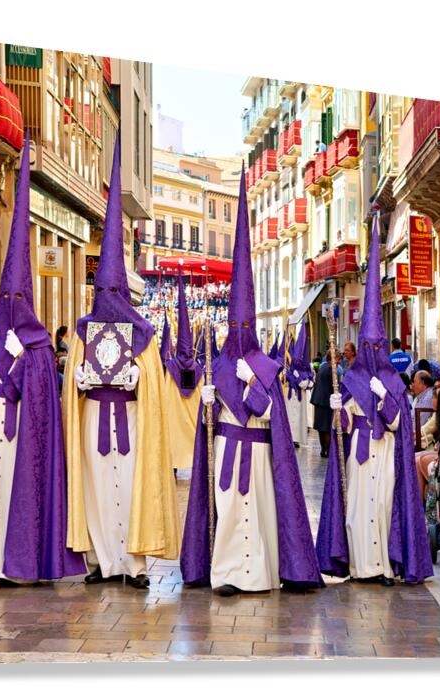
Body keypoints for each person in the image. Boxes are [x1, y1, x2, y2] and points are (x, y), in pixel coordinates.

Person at [180, 167, 322, 596]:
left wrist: (252, 385)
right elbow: (206, 420)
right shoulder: (217, 364)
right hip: (226, 446)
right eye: (235, 324)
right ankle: (224, 573)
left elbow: (269, 413)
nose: (240, 331)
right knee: (226, 508)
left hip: (258, 452)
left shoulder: (267, 366)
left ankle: (258, 574)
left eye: (246, 324)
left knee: (257, 510)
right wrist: (205, 400)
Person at [0, 139, 84, 588]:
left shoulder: (41, 345)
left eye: (17, 297)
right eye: (4, 296)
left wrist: (24, 359)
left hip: (21, 430)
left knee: (13, 491)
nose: (10, 303)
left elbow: (42, 398)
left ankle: (16, 563)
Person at [63, 137, 180, 590]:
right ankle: (98, 561)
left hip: (129, 419)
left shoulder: (143, 334)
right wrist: (77, 381)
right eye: (103, 292)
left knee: (132, 488)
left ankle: (134, 566)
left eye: (115, 292)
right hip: (94, 417)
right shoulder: (82, 331)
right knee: (93, 487)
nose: (108, 299)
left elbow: (155, 385)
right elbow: (70, 388)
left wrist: (138, 378)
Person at [316, 217, 433, 586]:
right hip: (359, 451)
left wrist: (384, 400)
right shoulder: (350, 378)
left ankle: (382, 565)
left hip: (384, 453)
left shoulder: (394, 382)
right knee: (355, 508)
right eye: (366, 345)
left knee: (383, 508)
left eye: (375, 345)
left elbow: (399, 424)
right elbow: (344, 427)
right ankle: (357, 565)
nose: (370, 350)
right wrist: (338, 409)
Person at [163, 271, 204, 472]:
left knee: (174, 439)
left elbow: (165, 395)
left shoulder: (171, 368)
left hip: (174, 422)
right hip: (193, 424)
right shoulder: (199, 370)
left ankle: (173, 466)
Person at [285, 321, 314, 449]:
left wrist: (298, 377)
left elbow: (306, 384)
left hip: (300, 398)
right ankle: (290, 438)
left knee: (298, 419)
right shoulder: (289, 370)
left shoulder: (306, 370)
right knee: (290, 417)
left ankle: (296, 439)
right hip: (290, 397)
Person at [311, 350, 338, 458]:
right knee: (326, 427)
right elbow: (334, 386)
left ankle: (323, 449)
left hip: (318, 400)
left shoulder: (322, 367)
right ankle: (327, 449)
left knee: (321, 428)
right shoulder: (330, 369)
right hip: (326, 401)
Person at [411, 370, 435, 436]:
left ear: (422, 383)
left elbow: (418, 424)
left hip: (418, 437)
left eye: (414, 382)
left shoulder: (428, 397)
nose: (413, 385)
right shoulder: (422, 395)